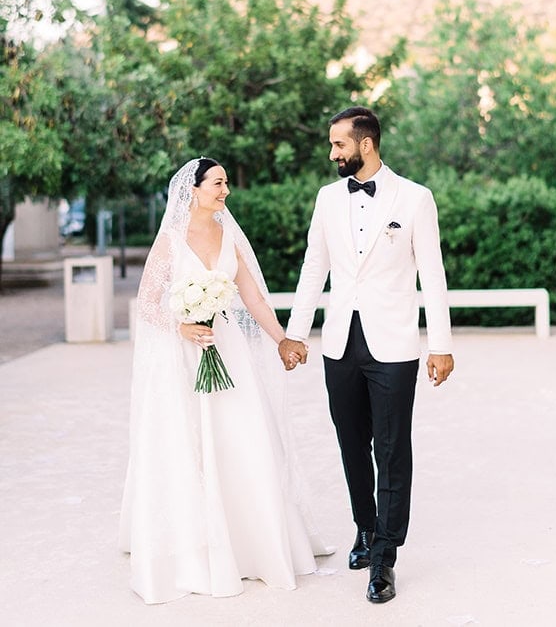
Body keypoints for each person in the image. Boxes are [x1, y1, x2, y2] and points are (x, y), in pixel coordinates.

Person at [119, 157, 327, 604]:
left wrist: (282, 340)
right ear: (192, 189)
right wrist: (182, 327)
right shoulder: (172, 240)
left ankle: (254, 544)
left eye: (226, 183)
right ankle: (198, 547)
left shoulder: (229, 233)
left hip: (227, 351)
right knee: (191, 443)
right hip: (185, 357)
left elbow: (251, 296)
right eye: (217, 183)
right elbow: (147, 303)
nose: (225, 191)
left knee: (242, 438)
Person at [280, 106, 454, 605]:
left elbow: (433, 276)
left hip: (394, 345)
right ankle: (364, 525)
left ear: (366, 144)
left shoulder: (416, 198)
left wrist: (440, 345)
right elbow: (314, 268)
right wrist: (296, 334)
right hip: (340, 342)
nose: (332, 153)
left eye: (338, 144)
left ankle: (384, 557)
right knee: (352, 443)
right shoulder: (328, 198)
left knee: (392, 448)